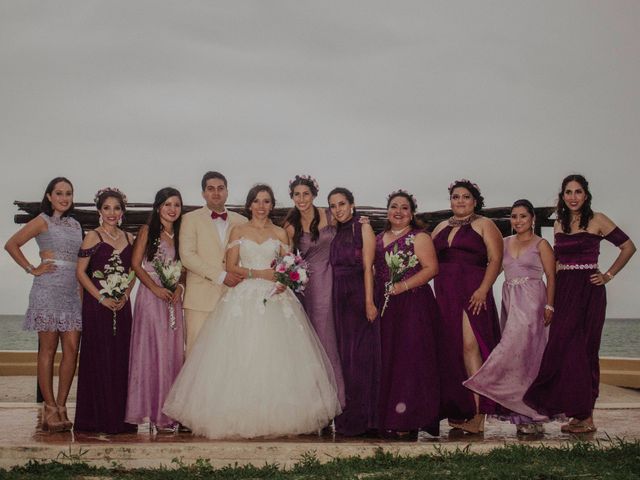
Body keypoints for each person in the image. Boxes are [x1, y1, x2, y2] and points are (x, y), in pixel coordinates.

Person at [163, 184, 341, 439]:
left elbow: (289, 265)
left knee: (277, 357)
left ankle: (278, 416)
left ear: (271, 205)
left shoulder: (280, 232)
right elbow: (231, 266)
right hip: (243, 296)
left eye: (266, 201)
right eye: (256, 201)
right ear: (249, 205)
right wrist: (259, 274)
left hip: (275, 299)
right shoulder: (239, 229)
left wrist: (283, 281)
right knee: (240, 355)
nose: (261, 206)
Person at [524, 174, 636, 434]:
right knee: (562, 349)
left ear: (586, 195)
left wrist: (608, 275)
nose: (573, 197)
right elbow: (556, 261)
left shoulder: (598, 219)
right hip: (564, 289)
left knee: (585, 351)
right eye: (568, 192)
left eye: (578, 192)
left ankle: (587, 417)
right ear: (562, 196)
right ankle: (575, 411)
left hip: (589, 290)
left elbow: (628, 246)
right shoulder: (560, 222)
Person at [463, 199, 555, 434]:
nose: (518, 221)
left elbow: (552, 277)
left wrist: (550, 306)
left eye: (523, 216)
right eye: (514, 217)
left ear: (532, 218)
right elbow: (492, 268)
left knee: (518, 351)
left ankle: (486, 381)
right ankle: (523, 415)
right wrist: (479, 290)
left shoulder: (541, 244)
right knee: (520, 359)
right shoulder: (503, 243)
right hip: (510, 301)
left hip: (533, 302)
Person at [5, 177, 82, 432]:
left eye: (68, 193)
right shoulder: (41, 220)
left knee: (71, 349)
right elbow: (11, 244)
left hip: (72, 293)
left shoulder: (76, 225)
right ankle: (49, 407)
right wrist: (31, 268)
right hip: (47, 291)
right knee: (47, 350)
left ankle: (62, 405)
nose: (64, 197)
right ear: (49, 196)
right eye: (59, 193)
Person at [432, 179, 503, 434]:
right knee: (451, 349)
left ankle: (477, 413)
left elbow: (496, 260)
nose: (460, 201)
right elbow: (424, 257)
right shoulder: (440, 226)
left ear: (475, 201)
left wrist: (483, 289)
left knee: (471, 347)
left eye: (465, 197)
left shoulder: (485, 224)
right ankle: (460, 409)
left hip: (473, 291)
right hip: (444, 292)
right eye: (455, 196)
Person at [374, 190, 440, 438]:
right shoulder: (379, 238)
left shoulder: (419, 237)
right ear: (387, 211)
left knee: (410, 360)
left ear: (412, 213)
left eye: (404, 207)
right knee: (388, 359)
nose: (398, 212)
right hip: (386, 306)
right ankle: (389, 416)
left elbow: (432, 268)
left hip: (414, 304)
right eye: (394, 206)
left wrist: (402, 286)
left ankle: (409, 419)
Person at [74, 187, 137, 434]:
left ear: (122, 211)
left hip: (122, 305)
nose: (112, 213)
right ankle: (97, 418)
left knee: (121, 357)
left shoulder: (130, 238)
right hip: (98, 305)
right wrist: (101, 298)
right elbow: (80, 272)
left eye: (117, 208)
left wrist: (126, 292)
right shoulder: (92, 237)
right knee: (99, 357)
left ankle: (122, 419)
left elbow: (134, 272)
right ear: (100, 210)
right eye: (107, 208)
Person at [125, 187, 185, 433]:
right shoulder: (147, 231)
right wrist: (155, 289)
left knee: (172, 354)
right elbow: (136, 265)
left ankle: (169, 412)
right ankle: (152, 414)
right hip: (151, 298)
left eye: (177, 205)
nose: (172, 209)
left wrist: (179, 287)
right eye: (167, 204)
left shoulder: (181, 234)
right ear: (158, 206)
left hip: (173, 298)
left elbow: (185, 267)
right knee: (152, 352)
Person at [283, 174, 345, 407]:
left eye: (306, 194)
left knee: (333, 338)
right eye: (297, 194)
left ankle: (337, 398)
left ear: (314, 195)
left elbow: (350, 233)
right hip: (311, 284)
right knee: (318, 341)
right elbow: (287, 258)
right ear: (292, 197)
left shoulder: (330, 215)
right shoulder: (290, 225)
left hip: (336, 276)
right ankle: (320, 403)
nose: (301, 199)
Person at [328, 187, 379, 436]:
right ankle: (348, 416)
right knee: (345, 356)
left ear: (352, 204)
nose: (338, 209)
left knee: (361, 357)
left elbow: (369, 267)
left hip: (359, 293)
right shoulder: (335, 230)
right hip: (338, 296)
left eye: (341, 204)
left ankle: (366, 419)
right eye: (333, 206)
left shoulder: (363, 227)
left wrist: (369, 302)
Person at [180, 171, 247, 356]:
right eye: (210, 189)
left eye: (220, 188)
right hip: (200, 300)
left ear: (227, 191)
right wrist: (221, 275)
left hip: (233, 298)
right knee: (195, 354)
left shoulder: (242, 221)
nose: (216, 193)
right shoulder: (190, 219)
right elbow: (187, 256)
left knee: (229, 355)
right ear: (203, 193)